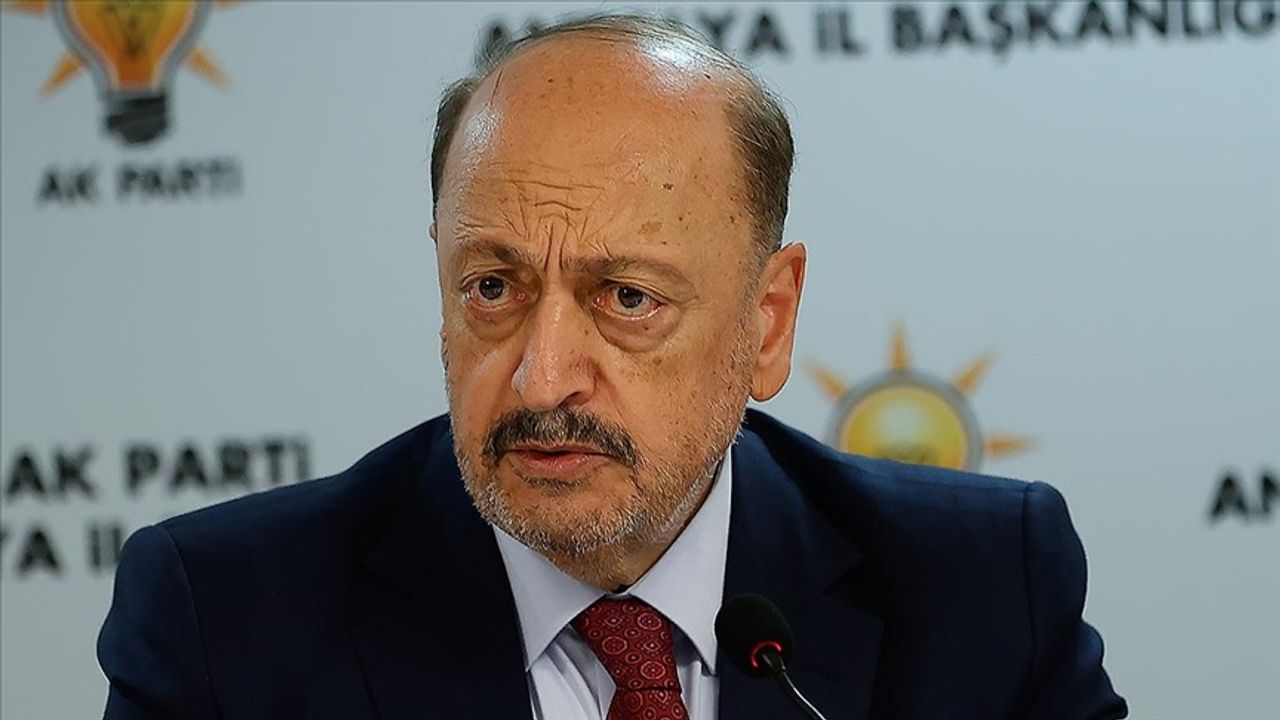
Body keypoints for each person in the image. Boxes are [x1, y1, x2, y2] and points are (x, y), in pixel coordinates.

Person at [98, 14, 1126, 720]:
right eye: (492, 287)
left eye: (627, 298)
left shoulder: (978, 589)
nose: (543, 380)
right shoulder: (226, 621)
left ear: (766, 324)